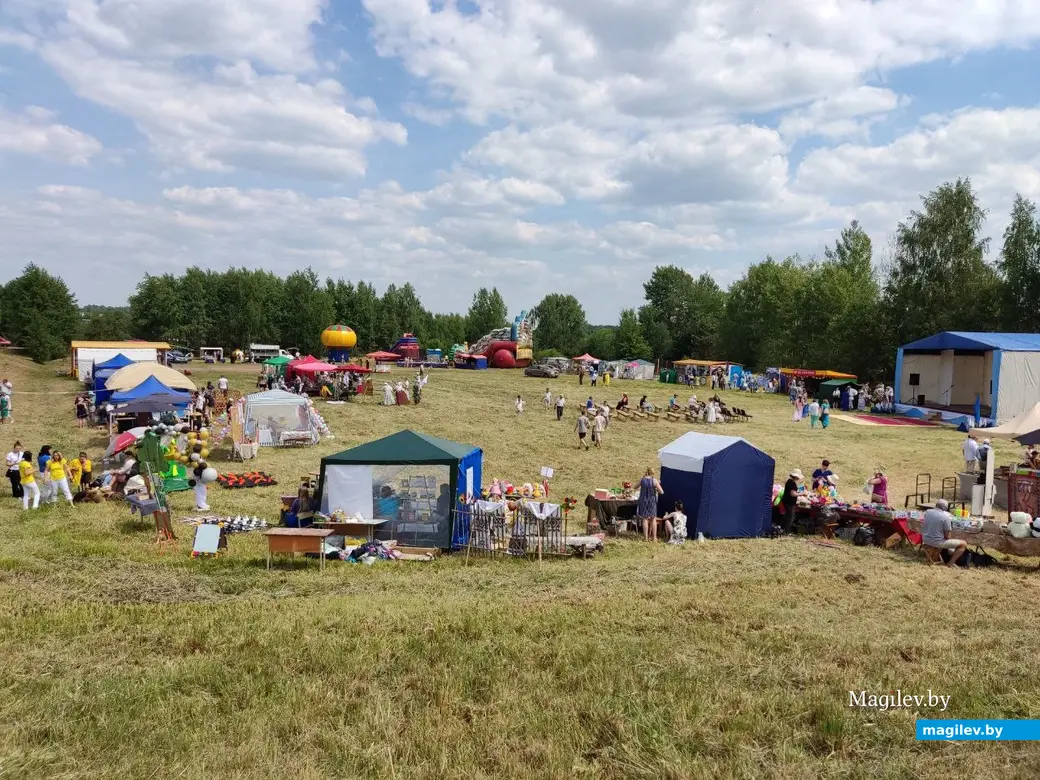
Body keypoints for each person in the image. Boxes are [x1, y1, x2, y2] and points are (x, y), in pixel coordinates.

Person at [921, 499, 967, 567]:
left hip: (925, 539)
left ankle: (946, 555)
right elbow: (947, 536)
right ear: (945, 508)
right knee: (963, 544)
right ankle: (951, 562)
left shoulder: (927, 512)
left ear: (936, 505)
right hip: (936, 542)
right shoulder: (946, 517)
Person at [637, 467, 663, 541]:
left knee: (644, 519)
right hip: (652, 501)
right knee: (653, 518)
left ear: (647, 472)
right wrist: (656, 488)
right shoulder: (654, 481)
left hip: (643, 500)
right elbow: (661, 492)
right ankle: (654, 538)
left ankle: (645, 538)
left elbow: (635, 486)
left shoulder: (642, 479)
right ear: (653, 473)